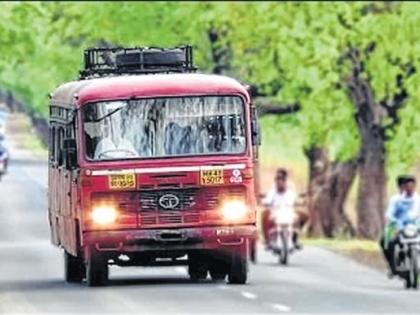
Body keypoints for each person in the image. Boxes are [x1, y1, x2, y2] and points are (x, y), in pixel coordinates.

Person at [381, 175, 420, 277]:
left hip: (414, 227)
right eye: (407, 186)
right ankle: (392, 266)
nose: (409, 188)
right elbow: (389, 214)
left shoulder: (417, 199)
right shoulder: (396, 200)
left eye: (411, 186)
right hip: (397, 226)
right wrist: (393, 221)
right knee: (387, 241)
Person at [261, 168, 300, 249]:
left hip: (288, 212)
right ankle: (268, 240)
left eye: (282, 179)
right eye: (278, 179)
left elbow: (295, 200)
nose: (279, 182)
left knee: (297, 217)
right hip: (276, 212)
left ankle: (295, 239)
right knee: (265, 214)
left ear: (285, 180)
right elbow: (267, 200)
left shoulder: (290, 191)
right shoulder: (273, 191)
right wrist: (265, 202)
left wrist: (298, 202)